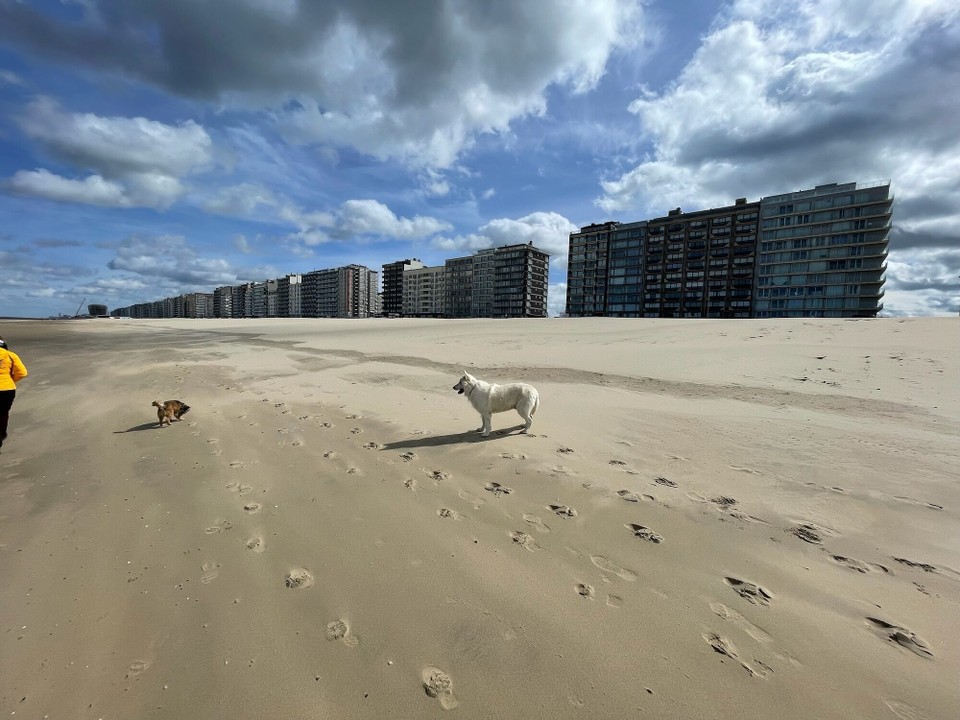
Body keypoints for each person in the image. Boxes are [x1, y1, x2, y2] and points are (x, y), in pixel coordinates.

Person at [0, 335, 29, 452]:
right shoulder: (11, 355)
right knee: (3, 413)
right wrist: (11, 380)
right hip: (7, 389)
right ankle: (1, 434)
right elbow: (22, 373)